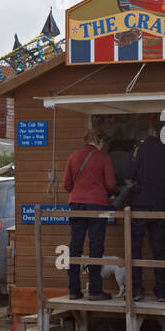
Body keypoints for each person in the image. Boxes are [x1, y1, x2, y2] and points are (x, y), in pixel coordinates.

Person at [123, 120, 165, 302]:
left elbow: (127, 174)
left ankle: (136, 290)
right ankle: (161, 292)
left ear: (152, 130)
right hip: (162, 206)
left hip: (139, 206)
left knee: (135, 250)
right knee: (160, 250)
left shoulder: (139, 149)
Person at [62, 128, 116, 300]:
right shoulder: (104, 157)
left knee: (75, 246)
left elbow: (66, 185)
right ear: (99, 142)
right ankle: (94, 290)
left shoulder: (73, 157)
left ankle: (73, 291)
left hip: (76, 204)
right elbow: (110, 184)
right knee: (96, 247)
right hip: (97, 206)